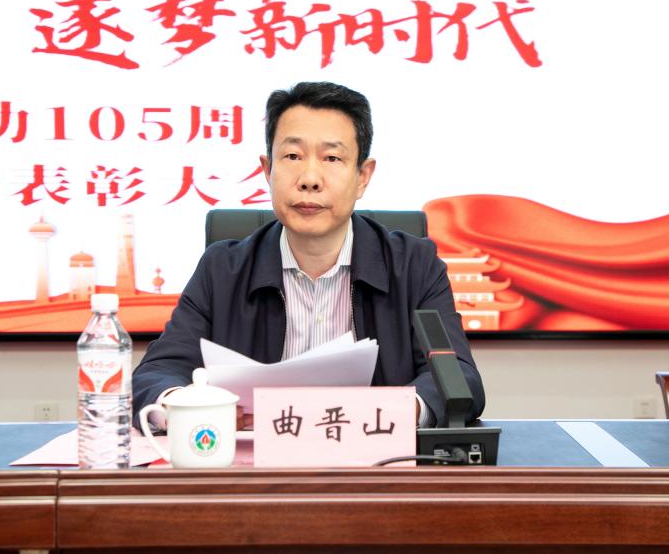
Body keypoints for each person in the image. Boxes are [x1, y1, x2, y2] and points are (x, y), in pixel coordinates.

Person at [132, 81, 485, 430]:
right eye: (292, 156)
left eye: (332, 158)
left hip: (374, 461)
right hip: (253, 464)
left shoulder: (414, 267)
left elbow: (458, 379)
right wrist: (184, 406)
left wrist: (391, 412)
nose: (310, 179)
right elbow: (156, 374)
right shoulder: (222, 270)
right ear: (267, 170)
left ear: (363, 177)